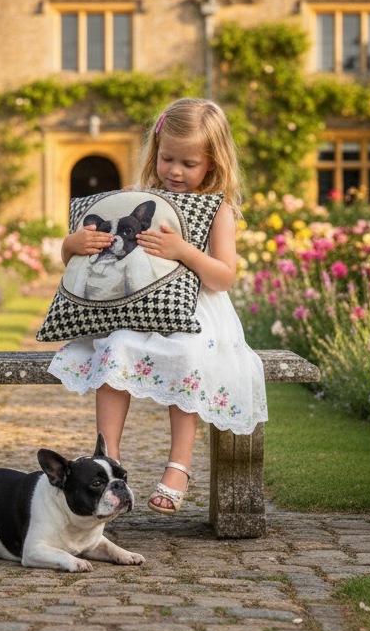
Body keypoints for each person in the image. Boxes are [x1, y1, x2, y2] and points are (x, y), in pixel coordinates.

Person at [48, 97, 267, 514]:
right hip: (134, 308)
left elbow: (223, 276)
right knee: (114, 349)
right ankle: (107, 455)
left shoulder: (216, 208)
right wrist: (71, 245)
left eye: (189, 163)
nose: (175, 171)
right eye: (167, 158)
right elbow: (82, 258)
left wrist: (183, 249)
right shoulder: (134, 199)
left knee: (186, 356)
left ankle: (179, 465)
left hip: (196, 315)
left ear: (213, 165)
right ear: (155, 151)